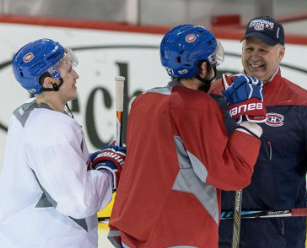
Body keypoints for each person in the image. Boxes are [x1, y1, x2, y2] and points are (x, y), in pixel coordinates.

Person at [108, 24, 266, 248]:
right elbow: (228, 175)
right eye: (211, 60)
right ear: (202, 68)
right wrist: (250, 125)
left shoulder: (143, 101)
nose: (214, 66)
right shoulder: (197, 107)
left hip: (133, 229)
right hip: (176, 233)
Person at [210, 16, 307, 248]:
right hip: (218, 230)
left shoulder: (302, 104)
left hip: (279, 235)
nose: (254, 56)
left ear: (280, 53)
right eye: (249, 48)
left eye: (264, 49)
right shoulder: (217, 94)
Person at [0, 38, 126, 248]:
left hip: (22, 235)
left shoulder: (26, 110)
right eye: (69, 71)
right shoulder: (53, 130)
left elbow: (48, 175)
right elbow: (79, 201)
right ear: (50, 82)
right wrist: (108, 171)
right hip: (50, 239)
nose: (76, 75)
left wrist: (93, 161)